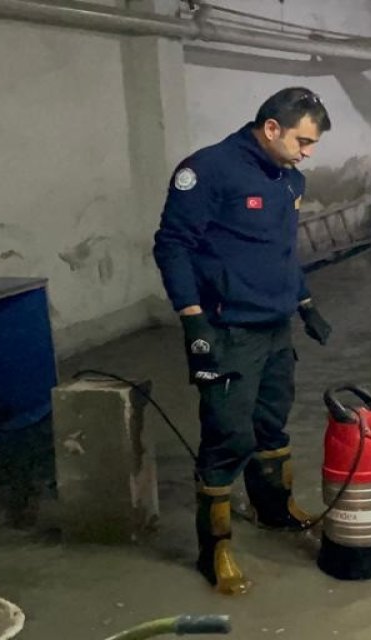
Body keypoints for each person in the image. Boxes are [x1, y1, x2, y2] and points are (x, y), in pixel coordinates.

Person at [152, 87, 335, 595]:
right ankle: (214, 550)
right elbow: (171, 246)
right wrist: (192, 321)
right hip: (227, 327)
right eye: (302, 140)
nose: (308, 152)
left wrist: (304, 303)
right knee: (228, 434)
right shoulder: (208, 170)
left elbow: (280, 250)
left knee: (271, 420)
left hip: (275, 323)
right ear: (271, 128)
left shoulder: (288, 177)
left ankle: (272, 507)